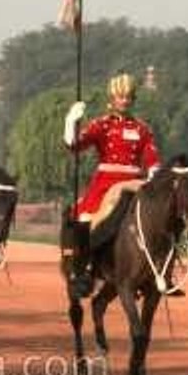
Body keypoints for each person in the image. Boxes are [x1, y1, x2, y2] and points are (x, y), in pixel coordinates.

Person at [61, 72, 172, 297]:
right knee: (85, 220)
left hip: (134, 182)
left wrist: (154, 176)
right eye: (120, 96)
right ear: (112, 99)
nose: (125, 101)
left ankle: (163, 270)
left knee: (162, 218)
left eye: (128, 97)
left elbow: (152, 159)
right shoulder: (101, 125)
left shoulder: (142, 128)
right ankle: (83, 269)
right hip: (105, 185)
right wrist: (70, 121)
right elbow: (75, 145)